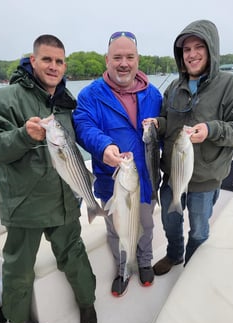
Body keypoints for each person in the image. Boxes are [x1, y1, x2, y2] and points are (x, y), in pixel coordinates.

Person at [0, 34, 97, 323]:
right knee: (19, 268)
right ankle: (20, 319)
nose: (54, 66)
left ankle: (87, 302)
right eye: (47, 59)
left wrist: (109, 149)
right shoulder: (6, 98)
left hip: (63, 199)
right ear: (33, 60)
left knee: (74, 254)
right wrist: (24, 135)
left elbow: (81, 141)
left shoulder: (65, 102)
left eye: (59, 61)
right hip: (25, 205)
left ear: (65, 66)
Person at [143, 19, 233, 275]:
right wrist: (156, 125)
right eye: (186, 49)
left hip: (206, 178)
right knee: (170, 221)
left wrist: (211, 130)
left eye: (198, 47)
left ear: (211, 49)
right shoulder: (174, 87)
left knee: (200, 229)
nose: (191, 54)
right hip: (173, 174)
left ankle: (193, 266)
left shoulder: (232, 85)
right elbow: (168, 121)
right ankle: (174, 255)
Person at [73, 31, 162, 297]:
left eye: (129, 57)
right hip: (111, 180)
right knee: (115, 229)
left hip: (145, 179)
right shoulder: (90, 95)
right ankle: (124, 268)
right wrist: (103, 146)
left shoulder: (154, 95)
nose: (124, 63)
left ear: (137, 59)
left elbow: (164, 132)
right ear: (107, 60)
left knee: (146, 225)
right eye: (117, 57)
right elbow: (83, 125)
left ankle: (144, 261)